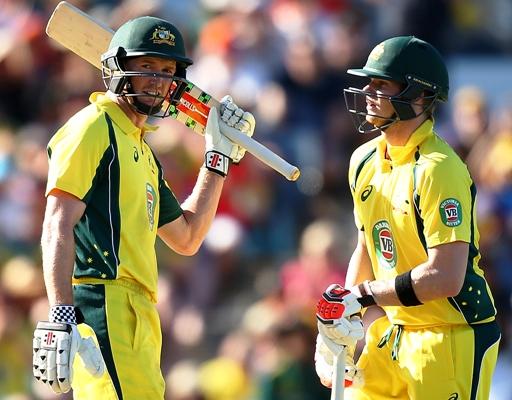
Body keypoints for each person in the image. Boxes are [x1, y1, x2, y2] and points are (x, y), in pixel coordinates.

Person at [32, 15, 255, 399]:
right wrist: (61, 312)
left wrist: (217, 158)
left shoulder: (142, 151)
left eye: (167, 70)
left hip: (141, 312)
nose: (157, 79)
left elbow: (186, 237)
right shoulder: (92, 127)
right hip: (102, 303)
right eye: (146, 66)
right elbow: (57, 222)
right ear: (120, 68)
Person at [314, 36, 501, 400]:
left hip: (449, 335)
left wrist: (364, 296)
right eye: (369, 82)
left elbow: (445, 277)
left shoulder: (439, 169)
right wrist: (345, 319)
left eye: (381, 84)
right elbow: (366, 249)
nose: (368, 91)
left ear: (418, 94)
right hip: (393, 332)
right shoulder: (364, 160)